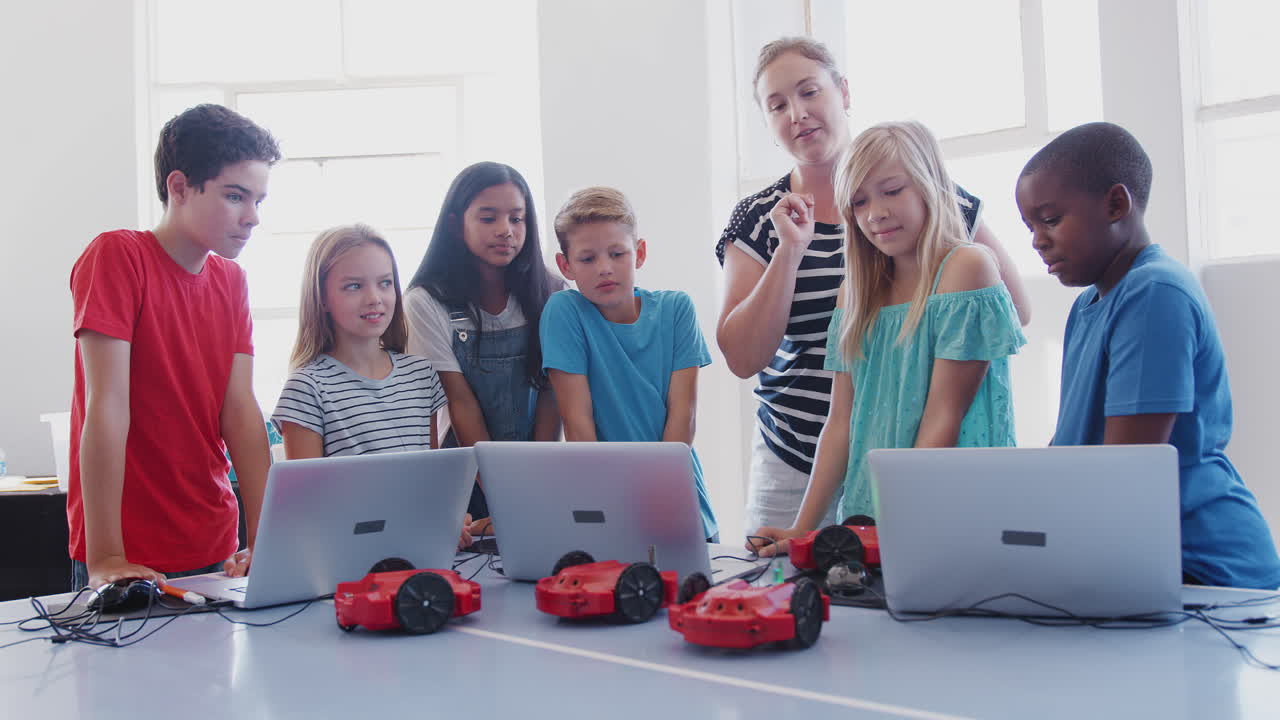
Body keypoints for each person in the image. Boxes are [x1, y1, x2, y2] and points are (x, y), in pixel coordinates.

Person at [716, 37, 1032, 534]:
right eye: (777, 105)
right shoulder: (769, 226)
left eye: (809, 91)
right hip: (804, 455)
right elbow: (741, 358)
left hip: (925, 478)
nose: (797, 114)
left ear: (842, 91)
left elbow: (1010, 314)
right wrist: (789, 251)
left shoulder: (948, 219)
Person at [1016, 121, 1280, 589]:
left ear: (1117, 204)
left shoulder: (1156, 292)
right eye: (1030, 226)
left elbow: (1128, 469)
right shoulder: (1088, 305)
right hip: (1139, 551)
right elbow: (1075, 451)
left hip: (1205, 568)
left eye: (1051, 219)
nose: (1037, 240)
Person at [753, 120, 1026, 555]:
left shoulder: (967, 268)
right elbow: (840, 423)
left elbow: (943, 417)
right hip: (874, 516)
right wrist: (803, 530)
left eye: (892, 190)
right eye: (859, 202)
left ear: (930, 185)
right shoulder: (855, 292)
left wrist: (897, 523)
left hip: (949, 509)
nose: (875, 212)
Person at [68, 104, 279, 590]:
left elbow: (241, 413)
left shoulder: (231, 281)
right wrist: (105, 556)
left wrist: (266, 538)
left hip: (214, 542)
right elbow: (107, 406)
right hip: (128, 551)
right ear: (180, 187)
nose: (251, 218)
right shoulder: (119, 256)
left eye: (258, 201)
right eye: (234, 196)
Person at [541, 187, 719, 541]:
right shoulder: (564, 312)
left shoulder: (676, 309)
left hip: (675, 496)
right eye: (588, 259)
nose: (605, 268)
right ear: (566, 266)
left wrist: (658, 499)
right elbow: (578, 424)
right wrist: (610, 512)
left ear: (639, 253)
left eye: (617, 253)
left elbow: (683, 415)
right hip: (605, 501)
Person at [404, 162, 562, 530]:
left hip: (537, 473)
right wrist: (504, 497)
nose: (505, 231)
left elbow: (552, 394)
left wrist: (532, 490)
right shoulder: (426, 301)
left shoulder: (552, 294)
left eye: (516, 219)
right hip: (466, 480)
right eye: (488, 218)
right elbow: (460, 403)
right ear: (455, 223)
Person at [271, 223, 446, 459]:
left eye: (385, 283)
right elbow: (308, 494)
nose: (374, 298)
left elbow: (432, 475)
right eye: (354, 286)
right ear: (321, 298)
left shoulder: (422, 375)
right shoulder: (306, 389)